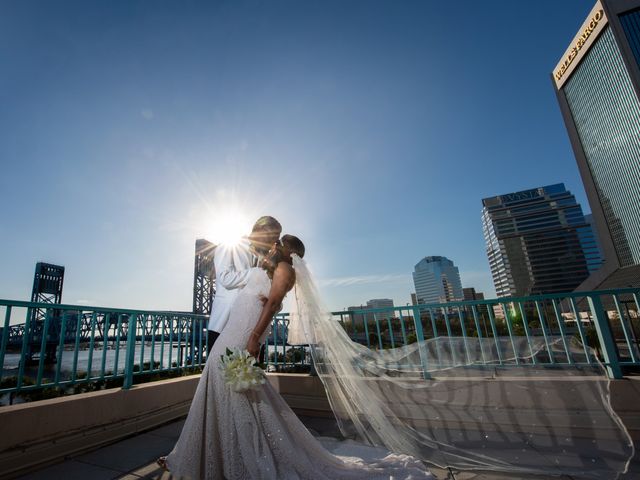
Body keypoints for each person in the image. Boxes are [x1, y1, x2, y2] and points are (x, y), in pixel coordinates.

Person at [159, 235, 433, 479]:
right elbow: (264, 296)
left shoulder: (284, 269)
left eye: (281, 243)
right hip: (234, 328)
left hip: (243, 334)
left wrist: (254, 337)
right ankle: (200, 454)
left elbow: (275, 303)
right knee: (220, 389)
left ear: (291, 252)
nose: (275, 244)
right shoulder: (270, 267)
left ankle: (222, 455)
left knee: (233, 391)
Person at [206, 216, 281, 354]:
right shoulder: (229, 244)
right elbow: (225, 278)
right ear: (260, 231)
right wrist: (256, 273)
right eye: (271, 238)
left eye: (275, 239)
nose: (272, 244)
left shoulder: (267, 258)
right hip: (224, 324)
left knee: (251, 374)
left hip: (252, 330)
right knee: (218, 373)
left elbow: (274, 297)